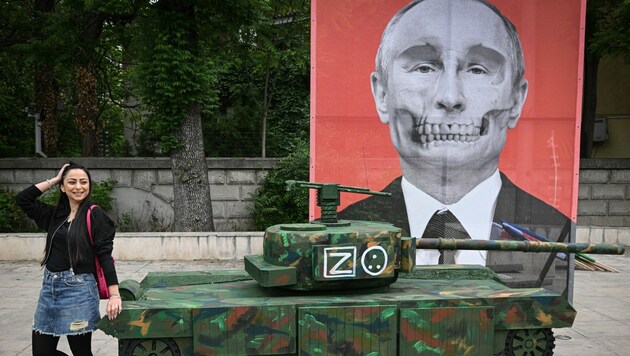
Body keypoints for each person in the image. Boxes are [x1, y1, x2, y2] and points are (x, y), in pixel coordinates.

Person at [339, 0, 571, 272]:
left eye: (477, 70)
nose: (450, 97)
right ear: (381, 94)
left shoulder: (558, 235)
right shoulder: (341, 236)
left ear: (516, 100)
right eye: (424, 67)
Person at [15, 162, 121, 356]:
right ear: (63, 187)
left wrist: (114, 295)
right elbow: (23, 199)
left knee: (81, 352)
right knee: (41, 352)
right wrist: (54, 180)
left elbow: (105, 257)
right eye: (71, 182)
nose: (78, 187)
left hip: (79, 292)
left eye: (83, 182)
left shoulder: (95, 216)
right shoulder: (54, 215)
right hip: (49, 290)